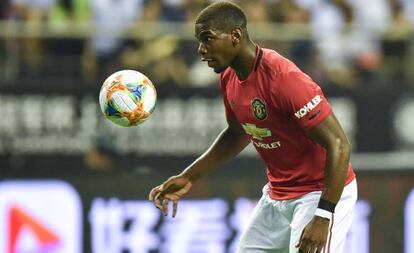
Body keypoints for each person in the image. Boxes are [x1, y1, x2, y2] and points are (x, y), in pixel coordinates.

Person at [149, 1, 357, 253]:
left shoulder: (284, 79)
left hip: (319, 193)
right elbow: (237, 133)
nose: (201, 49)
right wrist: (188, 176)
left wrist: (323, 215)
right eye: (199, 41)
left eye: (207, 39)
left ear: (235, 36)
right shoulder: (229, 76)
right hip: (278, 194)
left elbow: (339, 144)